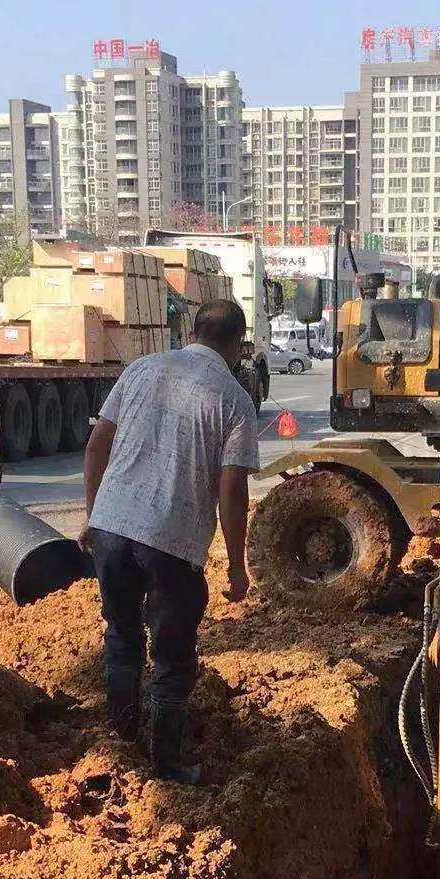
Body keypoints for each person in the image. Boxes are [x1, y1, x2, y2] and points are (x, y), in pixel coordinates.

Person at [83, 299, 259, 783]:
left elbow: (97, 444)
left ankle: (122, 739)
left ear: (196, 331)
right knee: (172, 655)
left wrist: (94, 515)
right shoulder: (234, 399)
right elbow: (231, 490)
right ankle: (167, 762)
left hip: (112, 528)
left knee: (121, 634)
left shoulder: (141, 369)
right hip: (171, 542)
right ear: (238, 344)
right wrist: (237, 566)